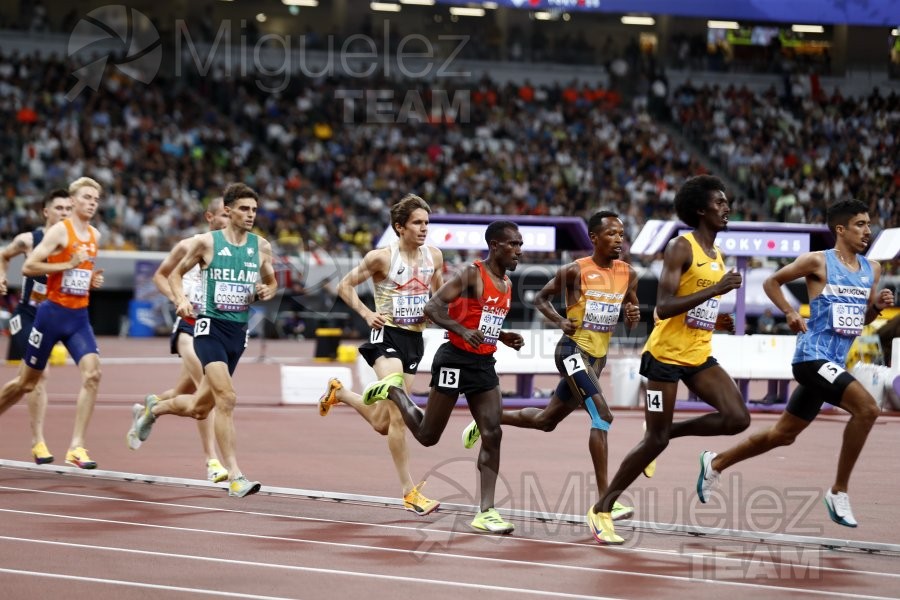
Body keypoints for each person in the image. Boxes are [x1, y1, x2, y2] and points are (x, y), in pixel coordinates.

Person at [697, 199, 894, 528]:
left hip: (833, 362)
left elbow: (858, 322)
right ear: (840, 229)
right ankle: (839, 491)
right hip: (811, 357)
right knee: (868, 409)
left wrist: (877, 307)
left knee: (783, 434)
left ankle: (715, 463)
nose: (868, 231)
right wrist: (789, 312)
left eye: (869, 224)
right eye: (860, 224)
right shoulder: (817, 262)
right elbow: (771, 282)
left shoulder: (872, 269)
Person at [591, 174, 751, 545]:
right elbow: (663, 306)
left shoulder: (717, 256)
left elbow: (695, 306)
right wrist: (718, 288)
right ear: (700, 209)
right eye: (720, 202)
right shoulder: (682, 247)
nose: (727, 207)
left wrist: (716, 317)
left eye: (727, 202)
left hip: (697, 355)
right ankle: (601, 509)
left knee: (737, 418)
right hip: (663, 357)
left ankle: (667, 433)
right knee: (654, 441)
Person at [458, 211, 640, 524]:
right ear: (594, 238)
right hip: (572, 351)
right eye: (611, 234)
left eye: (621, 234)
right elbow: (541, 299)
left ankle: (489, 417)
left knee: (546, 420)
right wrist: (559, 320)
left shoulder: (628, 273)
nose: (618, 240)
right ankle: (605, 503)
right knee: (602, 415)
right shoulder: (575, 270)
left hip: (598, 357)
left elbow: (630, 306)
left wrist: (631, 314)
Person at [363, 220, 525, 534]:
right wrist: (463, 330)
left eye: (520, 246)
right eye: (513, 245)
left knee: (493, 432)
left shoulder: (506, 284)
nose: (518, 251)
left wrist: (502, 336)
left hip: (483, 364)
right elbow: (433, 307)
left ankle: (486, 512)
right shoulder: (471, 274)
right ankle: (394, 390)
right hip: (454, 361)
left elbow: (483, 321)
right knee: (427, 435)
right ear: (495, 246)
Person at [127, 183, 278, 498]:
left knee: (199, 407)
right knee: (227, 398)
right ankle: (234, 475)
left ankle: (153, 410)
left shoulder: (261, 246)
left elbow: (271, 279)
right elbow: (173, 274)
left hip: (238, 332)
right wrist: (180, 299)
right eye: (244, 209)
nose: (250, 215)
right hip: (208, 328)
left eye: (254, 209)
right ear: (228, 210)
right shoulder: (205, 243)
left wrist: (267, 290)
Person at [319, 194, 444, 515]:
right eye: (417, 222)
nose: (423, 228)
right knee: (400, 416)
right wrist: (365, 313)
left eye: (427, 222)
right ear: (400, 227)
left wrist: (435, 313)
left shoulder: (435, 257)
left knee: (383, 422)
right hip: (385, 336)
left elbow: (440, 295)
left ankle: (341, 393)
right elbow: (344, 286)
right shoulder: (382, 258)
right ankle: (409, 491)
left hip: (414, 341)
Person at [0, 177, 106, 469]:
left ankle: (77, 447)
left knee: (93, 374)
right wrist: (67, 264)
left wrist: (90, 279)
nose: (92, 202)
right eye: (86, 197)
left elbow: (81, 272)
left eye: (96, 199)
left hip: (78, 317)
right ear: (74, 202)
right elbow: (29, 266)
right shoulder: (60, 231)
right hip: (50, 315)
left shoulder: (95, 235)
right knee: (26, 382)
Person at [146, 197, 230, 483]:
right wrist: (177, 299)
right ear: (210, 217)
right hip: (189, 325)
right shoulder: (189, 245)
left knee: (187, 390)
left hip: (218, 328)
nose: (229, 219)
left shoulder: (234, 251)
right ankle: (212, 461)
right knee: (207, 392)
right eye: (224, 215)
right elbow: (161, 275)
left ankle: (154, 405)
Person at [0, 189, 73, 464]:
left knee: (22, 383)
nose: (64, 213)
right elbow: (4, 255)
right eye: (59, 208)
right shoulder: (30, 240)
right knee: (40, 374)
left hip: (51, 318)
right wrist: (2, 276)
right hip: (26, 316)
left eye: (68, 209)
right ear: (46, 211)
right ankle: (38, 442)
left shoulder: (72, 244)